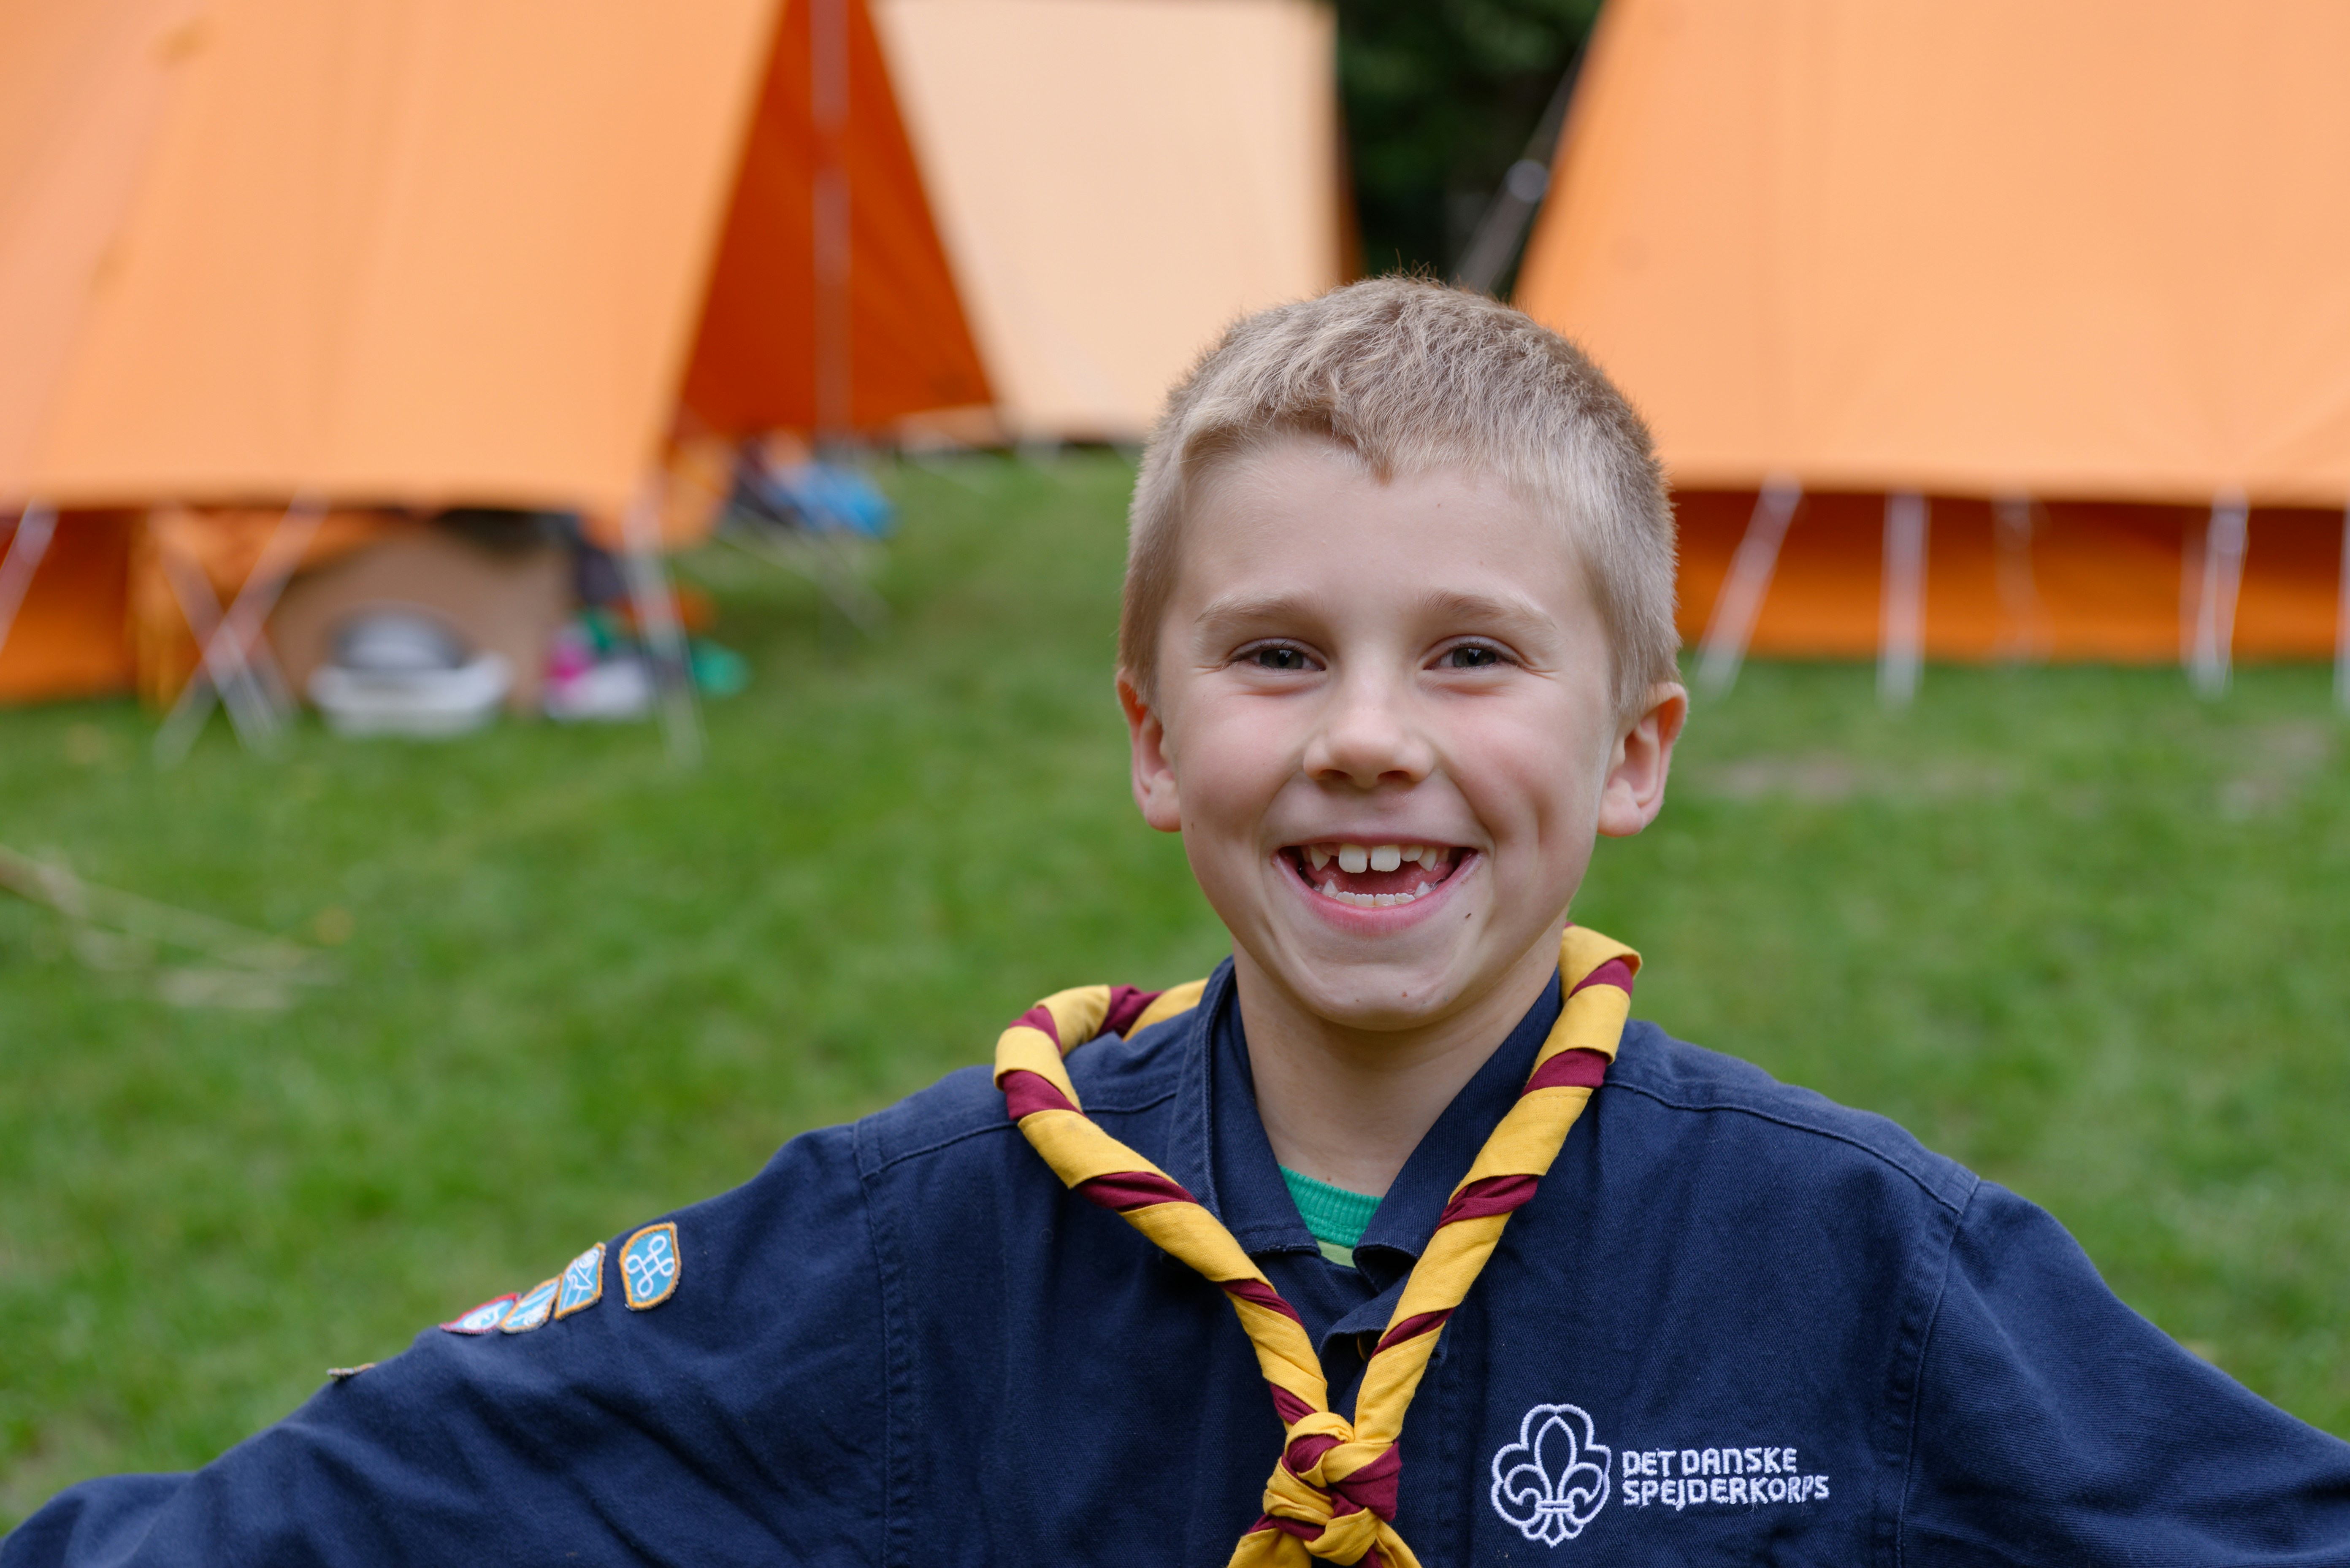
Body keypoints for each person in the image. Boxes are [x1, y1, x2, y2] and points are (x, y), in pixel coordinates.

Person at [8, 279, 2347, 1566]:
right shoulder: (920, 1252)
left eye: (1469, 654)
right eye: (1274, 657)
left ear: (1635, 746)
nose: (1364, 737)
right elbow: (384, 1500)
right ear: (1149, 735)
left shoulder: (1856, 1265)